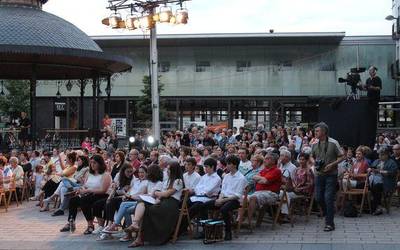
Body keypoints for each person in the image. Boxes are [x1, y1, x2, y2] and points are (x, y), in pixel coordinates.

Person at [127, 161, 184, 247]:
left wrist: (157, 194)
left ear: (174, 170)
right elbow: (160, 193)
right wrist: (158, 196)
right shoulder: (167, 181)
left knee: (148, 210)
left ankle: (140, 238)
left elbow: (166, 194)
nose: (167, 171)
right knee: (142, 202)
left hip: (171, 205)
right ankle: (135, 225)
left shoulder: (178, 181)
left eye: (169, 169)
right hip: (163, 202)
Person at [60, 154, 112, 234]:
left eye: (94, 163)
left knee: (84, 200)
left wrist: (88, 190)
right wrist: (82, 189)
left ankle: (90, 225)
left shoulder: (106, 175)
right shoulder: (89, 174)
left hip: (101, 195)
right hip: (89, 194)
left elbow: (103, 190)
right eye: (91, 163)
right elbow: (85, 185)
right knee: (73, 200)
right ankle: (71, 221)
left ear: (100, 163)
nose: (92, 165)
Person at [204, 155, 247, 241]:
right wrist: (219, 199)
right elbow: (223, 190)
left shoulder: (241, 178)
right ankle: (207, 230)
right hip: (224, 198)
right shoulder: (226, 176)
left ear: (234, 165)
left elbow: (237, 195)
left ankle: (228, 232)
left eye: (228, 164)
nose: (226, 166)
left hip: (235, 200)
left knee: (224, 209)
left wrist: (223, 200)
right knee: (205, 205)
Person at [101, 166, 150, 241]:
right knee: (115, 202)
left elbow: (141, 194)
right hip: (129, 198)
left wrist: (129, 195)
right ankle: (128, 233)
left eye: (143, 172)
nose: (141, 174)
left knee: (123, 205)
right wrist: (126, 195)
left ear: (147, 173)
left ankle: (115, 225)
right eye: (139, 172)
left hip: (138, 201)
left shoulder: (147, 182)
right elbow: (130, 190)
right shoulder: (136, 181)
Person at [311, 122, 344, 232]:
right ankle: (328, 212)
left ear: (324, 132)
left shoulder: (334, 143)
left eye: (317, 131)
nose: (315, 132)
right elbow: (311, 156)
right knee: (318, 197)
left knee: (328, 198)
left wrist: (332, 165)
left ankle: (330, 223)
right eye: (315, 131)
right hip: (319, 174)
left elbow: (342, 156)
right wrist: (314, 162)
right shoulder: (314, 143)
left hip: (331, 174)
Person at [247, 152, 282, 227]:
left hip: (271, 194)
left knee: (253, 198)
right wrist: (261, 179)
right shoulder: (264, 170)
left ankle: (248, 222)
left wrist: (261, 179)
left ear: (273, 161)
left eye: (267, 159)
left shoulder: (276, 170)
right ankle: (240, 220)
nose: (264, 160)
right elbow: (254, 177)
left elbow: (264, 181)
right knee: (242, 198)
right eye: (265, 158)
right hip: (259, 192)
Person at [187, 158, 221, 225]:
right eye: (204, 166)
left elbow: (208, 190)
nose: (205, 168)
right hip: (198, 197)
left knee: (195, 207)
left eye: (206, 167)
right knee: (184, 203)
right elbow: (197, 188)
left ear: (212, 167)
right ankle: (181, 224)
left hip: (208, 199)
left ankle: (185, 224)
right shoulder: (204, 176)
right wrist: (201, 191)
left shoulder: (217, 178)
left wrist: (202, 191)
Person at [368, 147, 398, 215]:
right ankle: (369, 206)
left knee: (376, 187)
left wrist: (380, 171)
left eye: (382, 154)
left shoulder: (392, 162)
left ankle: (376, 207)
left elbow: (392, 173)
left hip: (386, 182)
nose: (380, 156)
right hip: (374, 180)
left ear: (387, 155)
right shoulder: (377, 161)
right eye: (379, 154)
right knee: (364, 185)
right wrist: (370, 169)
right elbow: (371, 167)